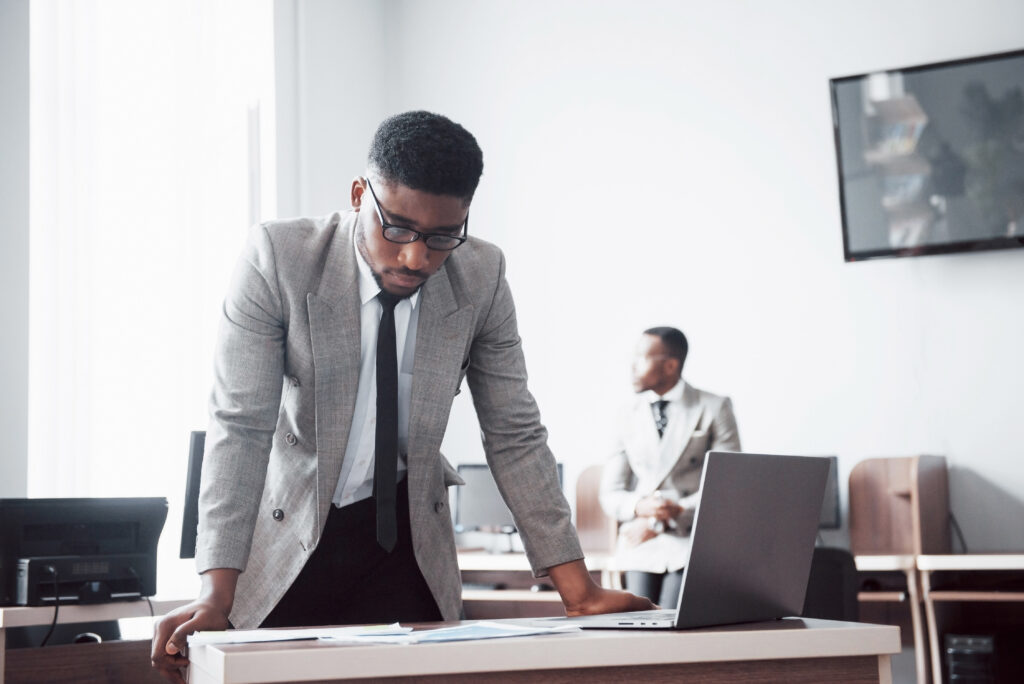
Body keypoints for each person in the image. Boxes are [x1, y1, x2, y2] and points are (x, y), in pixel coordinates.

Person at [152, 111, 652, 682]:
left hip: (405, 537)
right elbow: (239, 426)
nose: (417, 259)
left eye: (442, 237)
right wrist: (215, 591)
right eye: (398, 230)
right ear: (360, 193)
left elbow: (514, 433)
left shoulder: (482, 275)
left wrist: (579, 592)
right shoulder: (280, 257)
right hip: (293, 532)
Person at [599, 326, 741, 607]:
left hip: (691, 535)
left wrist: (660, 519)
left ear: (670, 365)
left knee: (674, 624)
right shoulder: (626, 414)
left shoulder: (713, 407)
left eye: (641, 358)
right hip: (639, 539)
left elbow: (728, 488)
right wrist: (640, 507)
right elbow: (610, 493)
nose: (632, 366)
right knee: (637, 622)